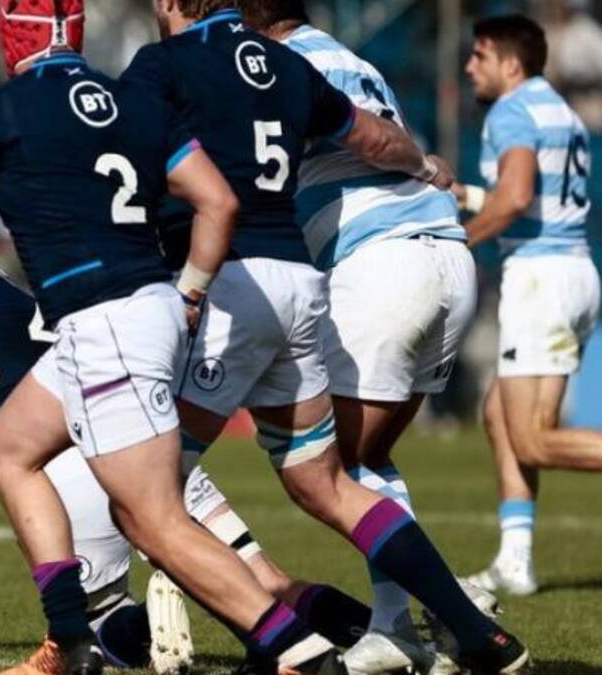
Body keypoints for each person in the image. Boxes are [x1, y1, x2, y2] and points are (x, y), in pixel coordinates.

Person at [0, 2, 346, 673]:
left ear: (9, 35)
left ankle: (299, 649)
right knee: (10, 449)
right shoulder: (130, 99)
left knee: (153, 520)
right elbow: (219, 200)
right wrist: (192, 293)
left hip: (103, 319)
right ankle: (72, 638)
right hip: (136, 307)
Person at [122, 1, 528, 672]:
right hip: (347, 273)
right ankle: (464, 629)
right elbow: (373, 137)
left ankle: (276, 640)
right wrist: (427, 166)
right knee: (332, 476)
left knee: (149, 485)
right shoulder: (318, 60)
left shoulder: (171, 63)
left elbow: (137, 159)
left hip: (275, 277)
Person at [235, 1, 480, 671]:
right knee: (369, 460)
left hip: (381, 263)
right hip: (446, 257)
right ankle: (420, 619)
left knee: (332, 470)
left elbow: (359, 145)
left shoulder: (277, 63)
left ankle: (432, 617)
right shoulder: (354, 59)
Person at [455, 15, 600, 597]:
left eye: (481, 56)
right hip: (576, 273)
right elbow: (531, 193)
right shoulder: (558, 110)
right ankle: (515, 560)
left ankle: (516, 561)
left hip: (539, 279)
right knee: (499, 414)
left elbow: (515, 198)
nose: (471, 66)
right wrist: (465, 194)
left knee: (534, 439)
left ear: (510, 64)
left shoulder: (510, 112)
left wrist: (458, 238)